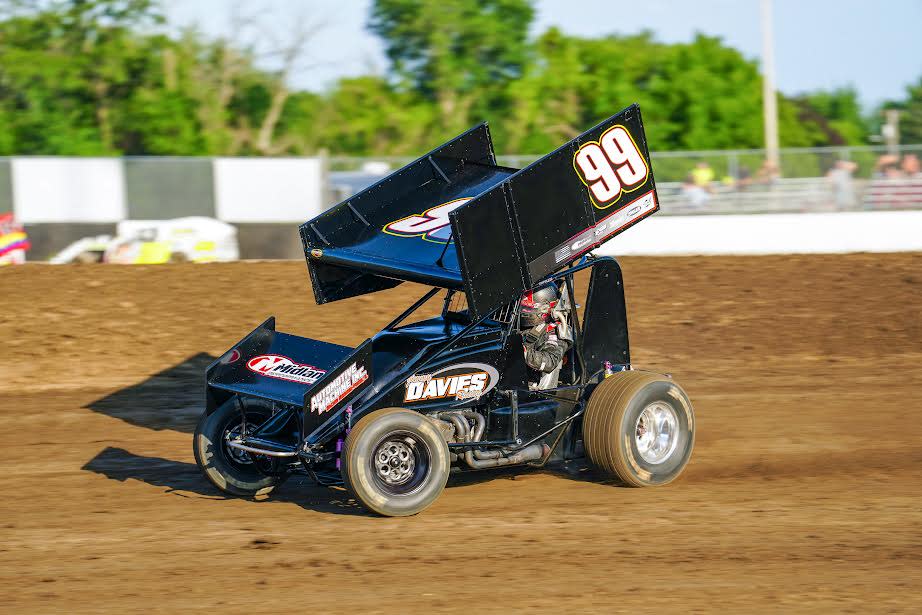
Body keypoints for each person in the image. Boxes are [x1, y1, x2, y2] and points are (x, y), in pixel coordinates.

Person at [520, 284, 571, 389]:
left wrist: (523, 353)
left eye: (528, 309)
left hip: (533, 388)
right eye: (523, 308)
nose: (524, 313)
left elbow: (550, 361)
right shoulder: (517, 325)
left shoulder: (554, 331)